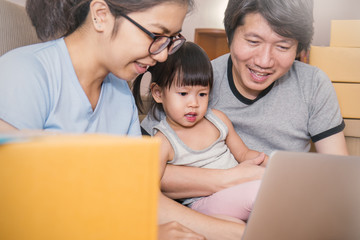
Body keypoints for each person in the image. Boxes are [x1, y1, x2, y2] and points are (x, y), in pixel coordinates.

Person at [0, 0, 253, 239]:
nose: (163, 56)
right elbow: (19, 212)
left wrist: (236, 233)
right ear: (101, 16)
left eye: (171, 40)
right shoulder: (25, 73)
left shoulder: (120, 94)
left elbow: (139, 194)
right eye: (156, 36)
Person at [141, 0, 348, 223]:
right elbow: (142, 173)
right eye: (253, 41)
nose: (264, 61)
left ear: (299, 48)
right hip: (204, 218)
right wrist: (230, 179)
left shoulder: (312, 84)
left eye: (283, 46)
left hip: (287, 212)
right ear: (230, 35)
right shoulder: (194, 83)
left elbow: (339, 174)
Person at [133, 42, 266, 223]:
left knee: (249, 219)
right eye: (183, 93)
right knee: (260, 192)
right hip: (202, 205)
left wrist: (268, 162)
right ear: (158, 93)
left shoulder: (217, 119)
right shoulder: (163, 140)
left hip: (234, 194)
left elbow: (243, 153)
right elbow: (148, 187)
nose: (194, 103)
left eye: (202, 94)